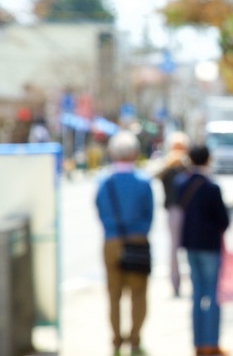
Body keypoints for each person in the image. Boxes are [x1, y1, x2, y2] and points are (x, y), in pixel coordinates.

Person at [95, 130, 154, 356]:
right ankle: (135, 339)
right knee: (138, 294)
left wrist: (111, 229)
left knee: (113, 295)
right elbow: (149, 214)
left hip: (111, 242)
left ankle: (116, 340)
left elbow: (99, 209)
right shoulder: (143, 181)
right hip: (138, 241)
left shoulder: (104, 181)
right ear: (135, 153)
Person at [176, 145, 230, 356]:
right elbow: (224, 220)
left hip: (190, 244)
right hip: (210, 246)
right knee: (212, 294)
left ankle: (198, 344)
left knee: (197, 294)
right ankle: (212, 343)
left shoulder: (182, 184)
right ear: (208, 160)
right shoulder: (211, 187)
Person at [154, 131, 190, 297]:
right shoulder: (167, 167)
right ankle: (175, 282)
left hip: (189, 210)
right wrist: (169, 163)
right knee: (174, 248)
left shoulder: (187, 167)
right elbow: (155, 176)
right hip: (173, 210)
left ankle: (191, 281)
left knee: (191, 248)